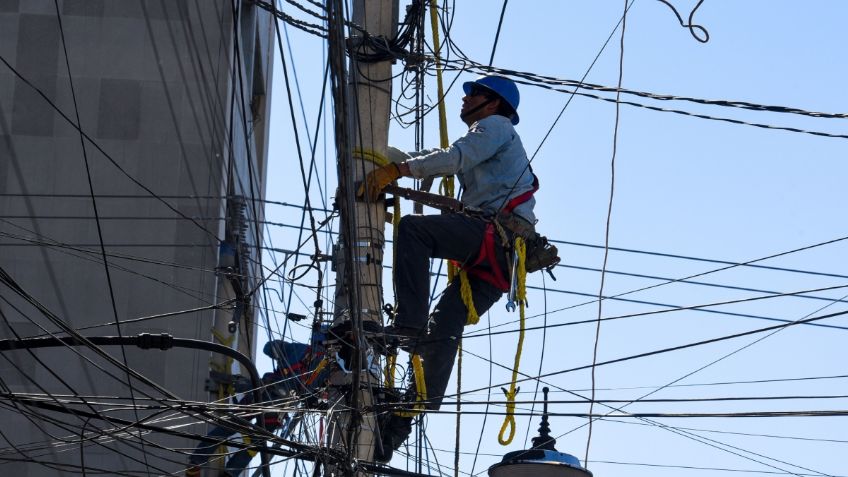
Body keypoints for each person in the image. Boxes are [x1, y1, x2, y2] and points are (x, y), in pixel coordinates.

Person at [359, 74, 539, 462]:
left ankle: (408, 323)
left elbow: (454, 158)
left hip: (495, 237)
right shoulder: (486, 134)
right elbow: (445, 153)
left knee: (414, 231)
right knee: (445, 324)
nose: (465, 98)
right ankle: (402, 421)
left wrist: (398, 171)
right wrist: (396, 160)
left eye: (473, 93)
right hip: (503, 260)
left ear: (492, 103)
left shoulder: (495, 127)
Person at [186, 330, 328, 476]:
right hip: (273, 404)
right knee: (249, 442)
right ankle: (220, 470)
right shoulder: (318, 364)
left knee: (232, 430)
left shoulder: (305, 354)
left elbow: (269, 348)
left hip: (267, 398)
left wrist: (278, 351)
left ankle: (197, 463)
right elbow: (313, 398)